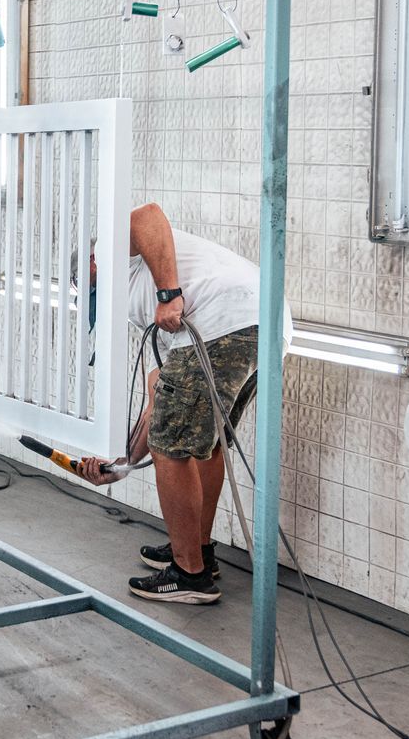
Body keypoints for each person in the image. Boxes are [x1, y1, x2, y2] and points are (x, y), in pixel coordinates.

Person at [74, 203, 290, 605]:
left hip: (226, 319)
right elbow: (158, 399)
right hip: (260, 322)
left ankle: (189, 573)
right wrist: (120, 465)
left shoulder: (110, 252)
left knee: (172, 445)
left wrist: (169, 295)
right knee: (202, 442)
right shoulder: (139, 301)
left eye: (84, 284)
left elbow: (146, 216)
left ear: (90, 263)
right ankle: (198, 553)